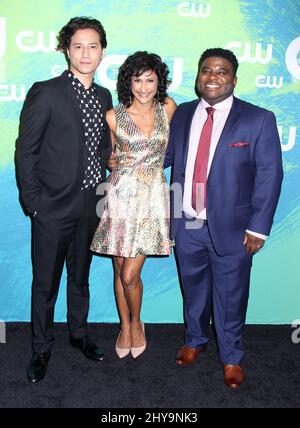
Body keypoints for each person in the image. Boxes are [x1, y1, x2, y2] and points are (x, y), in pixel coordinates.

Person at [164, 48, 283, 388]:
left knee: (231, 295)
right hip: (187, 222)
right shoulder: (184, 114)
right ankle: (195, 339)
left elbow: (269, 176)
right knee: (193, 288)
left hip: (233, 228)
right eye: (206, 70)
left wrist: (258, 227)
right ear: (198, 76)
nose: (213, 76)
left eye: (222, 71)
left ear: (234, 78)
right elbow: (169, 157)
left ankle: (231, 357)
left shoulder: (257, 119)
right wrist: (126, 162)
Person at [15, 17, 113, 383]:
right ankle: (41, 348)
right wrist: (34, 203)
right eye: (78, 46)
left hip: (90, 205)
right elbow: (26, 151)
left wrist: (114, 160)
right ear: (65, 49)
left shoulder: (103, 96)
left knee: (81, 277)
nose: (86, 53)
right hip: (51, 208)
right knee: (45, 283)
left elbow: (102, 147)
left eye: (93, 46)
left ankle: (78, 334)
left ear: (103, 51)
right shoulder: (47, 91)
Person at [91, 51, 177, 359]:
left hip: (152, 197)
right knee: (118, 269)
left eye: (150, 80)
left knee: (130, 275)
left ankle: (138, 323)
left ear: (159, 82)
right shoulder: (113, 115)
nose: (143, 87)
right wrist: (110, 159)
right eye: (137, 80)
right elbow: (109, 156)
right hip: (120, 197)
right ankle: (125, 326)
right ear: (128, 82)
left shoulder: (168, 108)